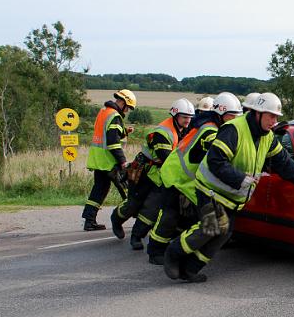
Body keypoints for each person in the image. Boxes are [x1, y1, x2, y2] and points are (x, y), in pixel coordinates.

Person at [163, 93, 294, 283]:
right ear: (257, 113)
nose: (274, 121)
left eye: (276, 117)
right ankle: (173, 252)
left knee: (225, 233)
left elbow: (284, 163)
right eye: (271, 116)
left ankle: (191, 268)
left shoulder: (267, 137)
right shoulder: (234, 130)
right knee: (212, 228)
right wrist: (240, 179)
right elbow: (215, 161)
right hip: (210, 189)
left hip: (230, 196)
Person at [146, 93, 242, 264]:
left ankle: (180, 249)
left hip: (187, 181)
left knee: (190, 218)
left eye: (237, 117)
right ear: (221, 113)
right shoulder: (210, 130)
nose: (234, 120)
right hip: (176, 176)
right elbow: (217, 152)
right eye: (232, 116)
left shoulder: (211, 125)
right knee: (169, 215)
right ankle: (155, 251)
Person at [111, 98, 194, 250]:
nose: (188, 120)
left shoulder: (185, 130)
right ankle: (116, 219)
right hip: (144, 172)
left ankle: (136, 236)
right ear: (175, 115)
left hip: (161, 176)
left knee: (152, 208)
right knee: (133, 204)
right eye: (184, 117)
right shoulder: (162, 132)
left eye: (189, 117)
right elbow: (167, 158)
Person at [82, 89, 136, 231]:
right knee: (128, 190)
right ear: (123, 103)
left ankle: (89, 220)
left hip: (98, 159)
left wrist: (125, 132)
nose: (128, 111)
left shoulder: (104, 112)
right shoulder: (115, 116)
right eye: (128, 108)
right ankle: (138, 221)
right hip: (109, 161)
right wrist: (123, 161)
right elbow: (113, 142)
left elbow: (108, 134)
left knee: (99, 190)